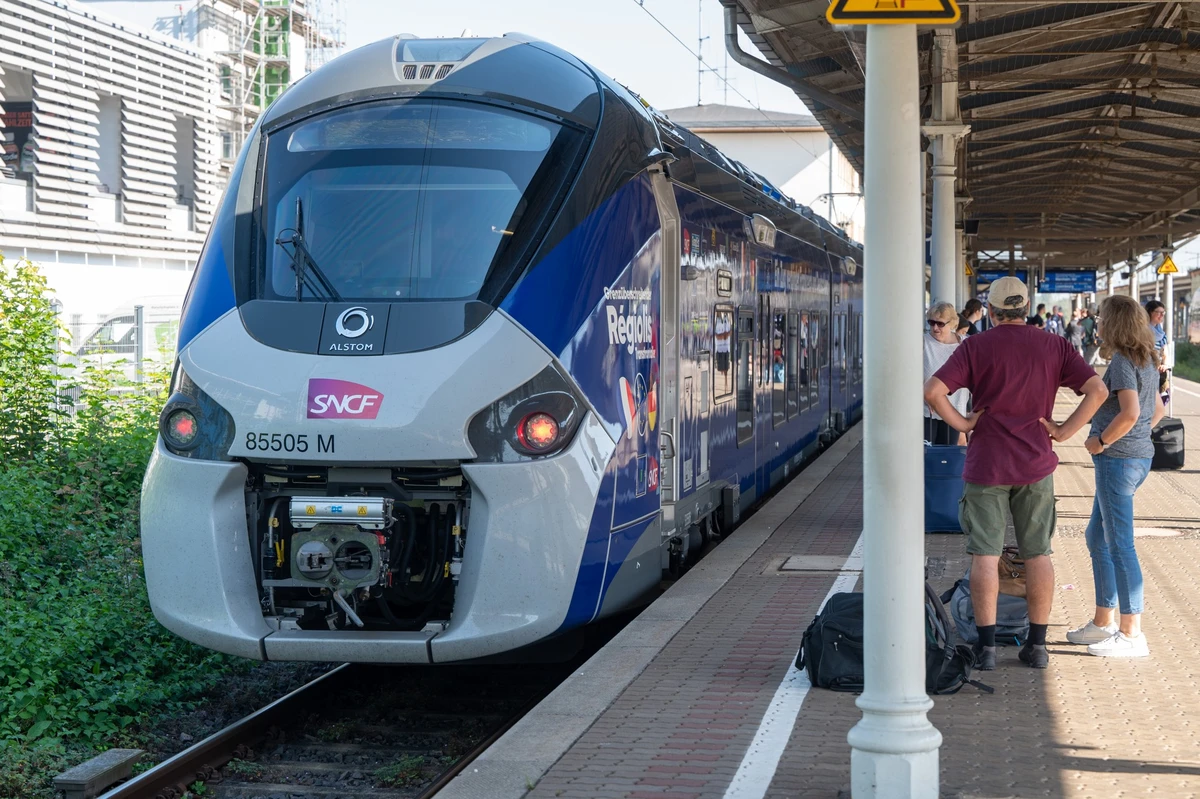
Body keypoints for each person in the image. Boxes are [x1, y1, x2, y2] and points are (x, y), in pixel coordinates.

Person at [924, 277, 1109, 670]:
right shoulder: (1054, 345)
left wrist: (964, 422)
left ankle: (986, 649)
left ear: (989, 312)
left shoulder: (975, 345)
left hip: (987, 466)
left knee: (985, 557)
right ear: (1027, 310)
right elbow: (1098, 391)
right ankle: (1037, 647)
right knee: (1037, 554)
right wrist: (1063, 431)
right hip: (1035, 465)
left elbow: (932, 391)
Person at [1060, 295, 1164, 658]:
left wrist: (1102, 440)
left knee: (1120, 544)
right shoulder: (1147, 358)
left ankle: (1131, 632)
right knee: (1097, 536)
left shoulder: (1121, 361)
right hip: (1136, 458)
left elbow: (1132, 412)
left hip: (1117, 460)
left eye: (1102, 318)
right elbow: (1158, 408)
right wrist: (1135, 440)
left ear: (1113, 323)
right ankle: (1103, 621)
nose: (1098, 323)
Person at [922, 302, 969, 445]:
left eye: (940, 324)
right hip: (925, 412)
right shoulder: (922, 342)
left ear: (953, 324)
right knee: (925, 457)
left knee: (947, 458)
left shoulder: (965, 344)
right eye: (931, 323)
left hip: (954, 412)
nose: (935, 328)